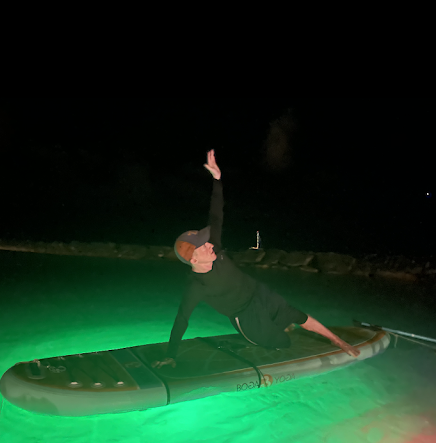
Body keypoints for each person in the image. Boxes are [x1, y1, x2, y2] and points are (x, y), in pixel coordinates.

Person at [153, 150, 360, 369]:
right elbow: (182, 320)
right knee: (283, 342)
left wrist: (217, 179)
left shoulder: (216, 249)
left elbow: (216, 214)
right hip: (246, 317)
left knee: (297, 315)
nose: (210, 245)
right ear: (193, 261)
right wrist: (171, 355)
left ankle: (334, 339)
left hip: (260, 293)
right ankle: (276, 329)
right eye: (203, 247)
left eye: (207, 242)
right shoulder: (197, 287)